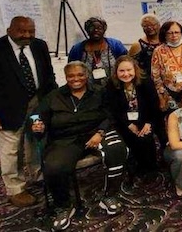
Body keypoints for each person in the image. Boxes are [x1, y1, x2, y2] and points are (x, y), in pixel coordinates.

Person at [0, 16, 56, 208]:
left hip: (37, 104)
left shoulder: (39, 46)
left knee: (35, 140)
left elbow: (48, 76)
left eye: (31, 31)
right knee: (11, 150)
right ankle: (15, 189)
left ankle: (37, 175)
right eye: (21, 31)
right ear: (9, 30)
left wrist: (53, 103)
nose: (27, 35)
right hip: (5, 111)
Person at [30, 61, 127, 231]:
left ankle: (110, 196)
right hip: (65, 138)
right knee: (53, 167)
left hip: (95, 133)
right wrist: (39, 127)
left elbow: (110, 115)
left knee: (118, 149)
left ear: (87, 75)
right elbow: (39, 118)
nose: (76, 79)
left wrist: (100, 132)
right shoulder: (54, 96)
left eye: (80, 75)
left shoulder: (98, 92)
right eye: (71, 76)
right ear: (66, 77)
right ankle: (64, 207)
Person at [104, 55, 159, 175]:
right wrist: (128, 124)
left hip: (146, 119)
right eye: (122, 71)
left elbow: (154, 104)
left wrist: (149, 123)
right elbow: (114, 110)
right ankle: (134, 165)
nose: (126, 74)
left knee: (145, 138)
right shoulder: (111, 84)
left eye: (129, 70)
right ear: (116, 72)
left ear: (135, 70)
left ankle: (151, 168)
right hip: (124, 122)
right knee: (130, 138)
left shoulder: (145, 81)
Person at [67, 16, 127, 87]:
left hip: (114, 89)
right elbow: (71, 71)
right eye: (92, 28)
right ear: (87, 30)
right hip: (87, 91)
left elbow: (127, 65)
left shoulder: (116, 45)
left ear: (104, 30)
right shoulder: (77, 49)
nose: (96, 30)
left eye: (99, 28)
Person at [127, 13, 161, 78]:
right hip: (145, 81)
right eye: (145, 26)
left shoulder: (166, 42)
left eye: (152, 25)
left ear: (159, 25)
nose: (149, 28)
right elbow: (129, 64)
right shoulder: (137, 45)